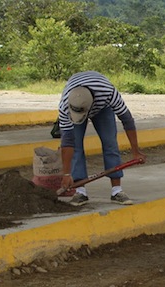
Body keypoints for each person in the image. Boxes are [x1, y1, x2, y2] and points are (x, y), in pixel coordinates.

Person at [58, 71, 146, 206]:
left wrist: (136, 151)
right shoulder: (66, 105)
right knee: (76, 147)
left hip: (102, 107)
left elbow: (127, 120)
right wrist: (66, 174)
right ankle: (80, 191)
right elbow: (67, 141)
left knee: (110, 143)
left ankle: (117, 191)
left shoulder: (108, 93)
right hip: (77, 103)